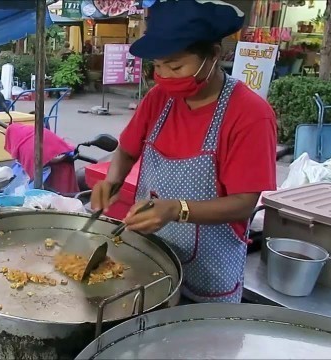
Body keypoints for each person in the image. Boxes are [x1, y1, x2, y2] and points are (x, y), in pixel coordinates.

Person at [90, 0, 276, 304]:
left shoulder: (250, 114)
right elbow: (126, 149)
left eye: (175, 66)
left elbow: (244, 203)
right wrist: (111, 182)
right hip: (149, 261)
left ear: (214, 55)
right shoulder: (157, 99)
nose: (164, 76)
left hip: (209, 276)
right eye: (158, 66)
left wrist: (177, 210)